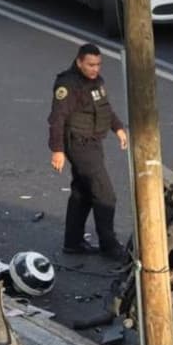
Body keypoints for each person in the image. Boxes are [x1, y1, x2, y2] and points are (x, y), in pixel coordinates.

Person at [47, 44, 130, 261]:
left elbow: (105, 108)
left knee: (82, 192)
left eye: (98, 64)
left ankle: (73, 242)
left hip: (93, 143)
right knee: (105, 194)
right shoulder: (68, 85)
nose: (95, 69)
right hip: (79, 144)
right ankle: (109, 246)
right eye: (91, 65)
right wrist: (57, 150)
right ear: (79, 62)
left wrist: (118, 128)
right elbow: (57, 119)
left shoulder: (96, 82)